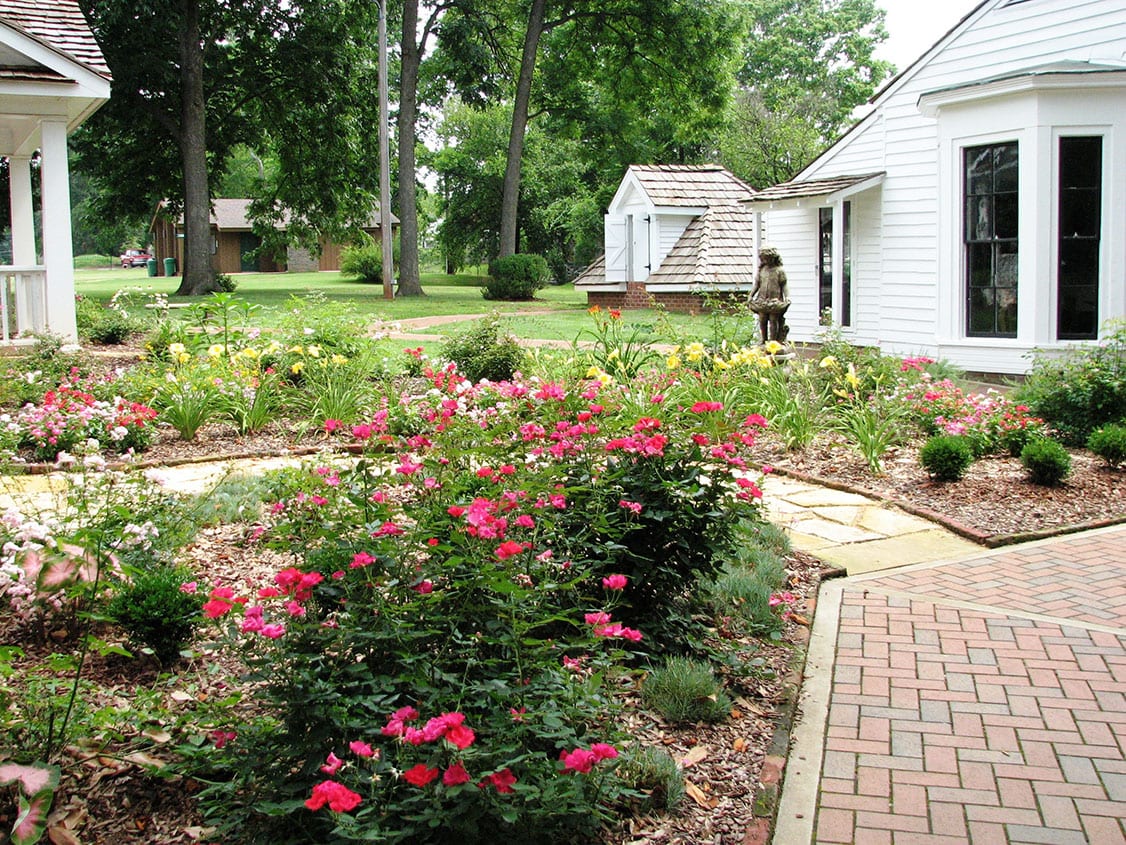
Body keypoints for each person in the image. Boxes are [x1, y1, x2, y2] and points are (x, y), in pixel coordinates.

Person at [749, 247, 790, 345]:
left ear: (774, 258)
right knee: (762, 319)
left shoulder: (779, 271)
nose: (766, 261)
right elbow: (757, 284)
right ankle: (763, 339)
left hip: (774, 300)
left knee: (773, 320)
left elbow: (784, 285)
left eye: (768, 258)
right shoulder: (761, 270)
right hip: (762, 299)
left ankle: (773, 340)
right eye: (764, 259)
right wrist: (751, 295)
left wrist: (787, 297)